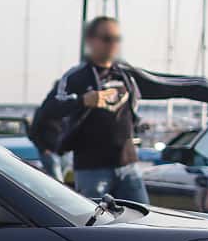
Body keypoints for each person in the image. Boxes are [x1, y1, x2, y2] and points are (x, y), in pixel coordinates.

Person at [40, 17, 151, 204]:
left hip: (128, 167)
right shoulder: (77, 77)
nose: (113, 44)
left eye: (116, 39)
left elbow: (169, 85)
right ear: (91, 40)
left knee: (143, 223)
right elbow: (50, 109)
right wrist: (83, 100)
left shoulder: (125, 74)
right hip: (92, 170)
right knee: (94, 227)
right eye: (107, 38)